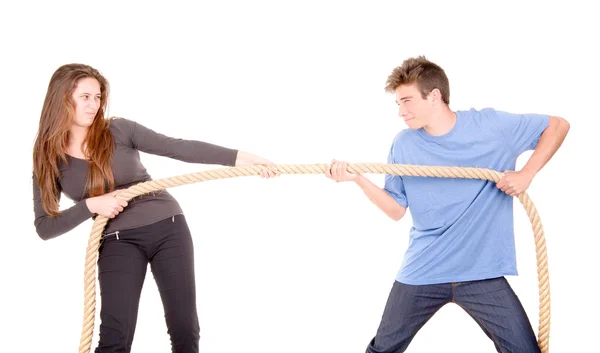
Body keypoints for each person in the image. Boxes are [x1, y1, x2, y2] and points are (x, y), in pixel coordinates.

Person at [325, 56, 569, 353]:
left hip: (481, 271)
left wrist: (527, 173)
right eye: (398, 104)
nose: (401, 112)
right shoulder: (404, 143)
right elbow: (396, 210)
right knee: (382, 350)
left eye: (407, 101)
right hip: (423, 268)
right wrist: (358, 180)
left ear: (435, 96)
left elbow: (557, 125)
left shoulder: (490, 126)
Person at [32, 63, 277, 353]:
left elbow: (179, 147)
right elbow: (45, 227)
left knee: (184, 329)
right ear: (61, 97)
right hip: (116, 241)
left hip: (168, 227)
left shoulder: (118, 129)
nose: (94, 105)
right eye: (85, 97)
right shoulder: (48, 158)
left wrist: (243, 157)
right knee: (114, 338)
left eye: (98, 97)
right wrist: (90, 205)